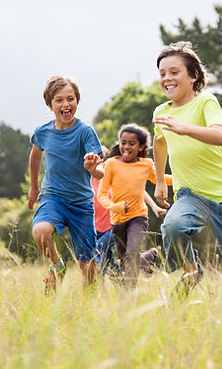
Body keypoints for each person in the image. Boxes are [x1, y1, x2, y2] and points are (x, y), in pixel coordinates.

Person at [152, 41, 222, 301]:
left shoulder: (206, 101)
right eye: (162, 74)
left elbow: (219, 135)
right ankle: (192, 270)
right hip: (189, 194)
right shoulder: (161, 112)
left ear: (193, 76)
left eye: (174, 72)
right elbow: (159, 142)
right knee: (172, 226)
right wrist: (159, 180)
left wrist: (184, 128)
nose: (167, 78)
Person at [27, 75, 103, 294]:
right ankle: (58, 266)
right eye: (59, 100)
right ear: (50, 105)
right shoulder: (43, 132)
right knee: (41, 231)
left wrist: (92, 166)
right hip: (54, 197)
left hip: (81, 203)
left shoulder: (85, 131)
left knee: (87, 265)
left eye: (71, 99)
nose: (66, 104)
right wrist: (34, 186)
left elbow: (100, 172)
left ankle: (88, 302)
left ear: (77, 101)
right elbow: (35, 155)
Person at [97, 123, 170, 288]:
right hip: (117, 221)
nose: (126, 147)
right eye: (123, 142)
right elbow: (101, 195)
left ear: (141, 147)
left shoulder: (145, 164)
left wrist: (184, 178)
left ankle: (128, 294)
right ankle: (149, 257)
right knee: (125, 262)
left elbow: (161, 179)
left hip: (138, 217)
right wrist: (117, 207)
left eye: (132, 143)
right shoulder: (111, 164)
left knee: (131, 253)